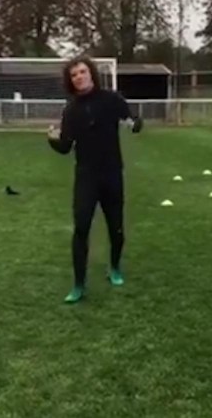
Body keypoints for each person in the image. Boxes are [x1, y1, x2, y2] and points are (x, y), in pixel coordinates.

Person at [48, 56, 143, 304]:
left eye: (82, 71)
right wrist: (52, 140)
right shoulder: (70, 110)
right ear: (71, 81)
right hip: (86, 176)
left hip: (111, 173)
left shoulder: (111, 99)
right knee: (81, 228)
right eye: (74, 75)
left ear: (91, 73)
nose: (79, 77)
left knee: (116, 227)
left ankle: (114, 268)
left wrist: (136, 124)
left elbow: (130, 120)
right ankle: (78, 285)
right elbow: (66, 147)